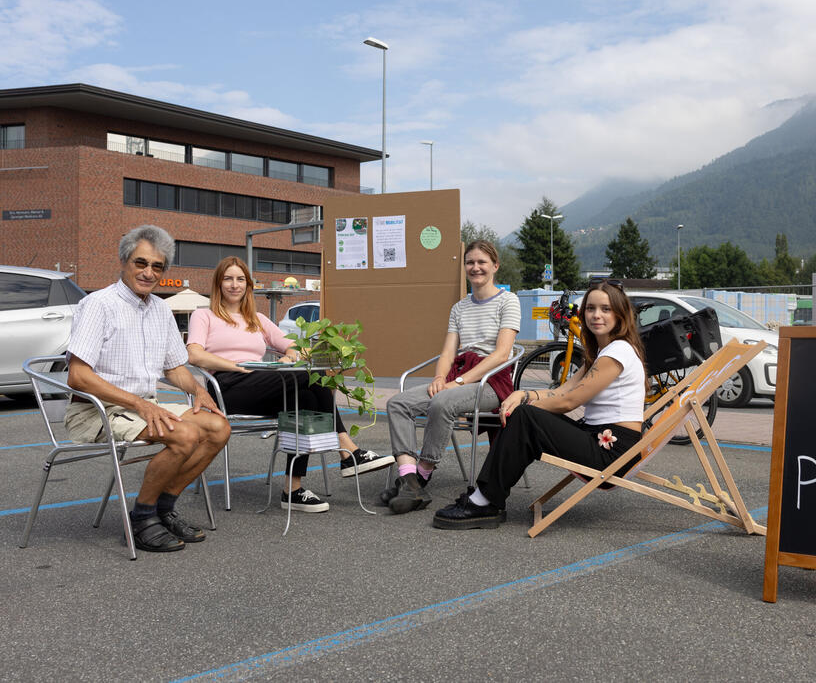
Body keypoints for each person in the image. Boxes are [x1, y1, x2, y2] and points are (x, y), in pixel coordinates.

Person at [65, 225, 231, 553]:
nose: (148, 272)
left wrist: (198, 390)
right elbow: (78, 377)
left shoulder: (159, 309)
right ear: (125, 261)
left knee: (219, 428)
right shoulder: (99, 304)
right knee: (183, 435)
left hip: (144, 405)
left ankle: (163, 509)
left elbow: (173, 367)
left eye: (157, 266)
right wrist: (142, 406)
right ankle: (142, 518)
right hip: (97, 410)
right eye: (141, 263)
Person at [433, 280, 646, 530]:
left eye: (605, 309)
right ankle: (486, 496)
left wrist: (525, 408)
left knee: (525, 419)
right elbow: (563, 390)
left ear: (621, 315)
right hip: (598, 439)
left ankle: (485, 499)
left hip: (612, 454)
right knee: (524, 416)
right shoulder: (602, 352)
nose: (596, 315)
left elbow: (569, 401)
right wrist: (523, 395)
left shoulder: (617, 351)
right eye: (590, 308)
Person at [186, 256, 393, 513]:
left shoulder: (257, 319)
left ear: (248, 285)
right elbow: (194, 354)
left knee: (305, 401)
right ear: (218, 284)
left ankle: (292, 490)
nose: (234, 285)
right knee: (308, 378)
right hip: (227, 387)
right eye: (228, 279)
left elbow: (298, 346)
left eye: (240, 279)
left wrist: (288, 357)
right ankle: (348, 450)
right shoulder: (204, 315)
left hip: (262, 383)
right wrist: (236, 366)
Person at [383, 240, 520, 514]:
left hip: (491, 381)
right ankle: (409, 479)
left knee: (441, 403)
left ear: (495, 266)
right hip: (459, 375)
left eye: (482, 262)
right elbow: (447, 352)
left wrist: (456, 383)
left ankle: (422, 473)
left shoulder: (508, 300)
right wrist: (439, 377)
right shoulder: (459, 308)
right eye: (470, 262)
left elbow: (502, 354)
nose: (475, 267)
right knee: (397, 403)